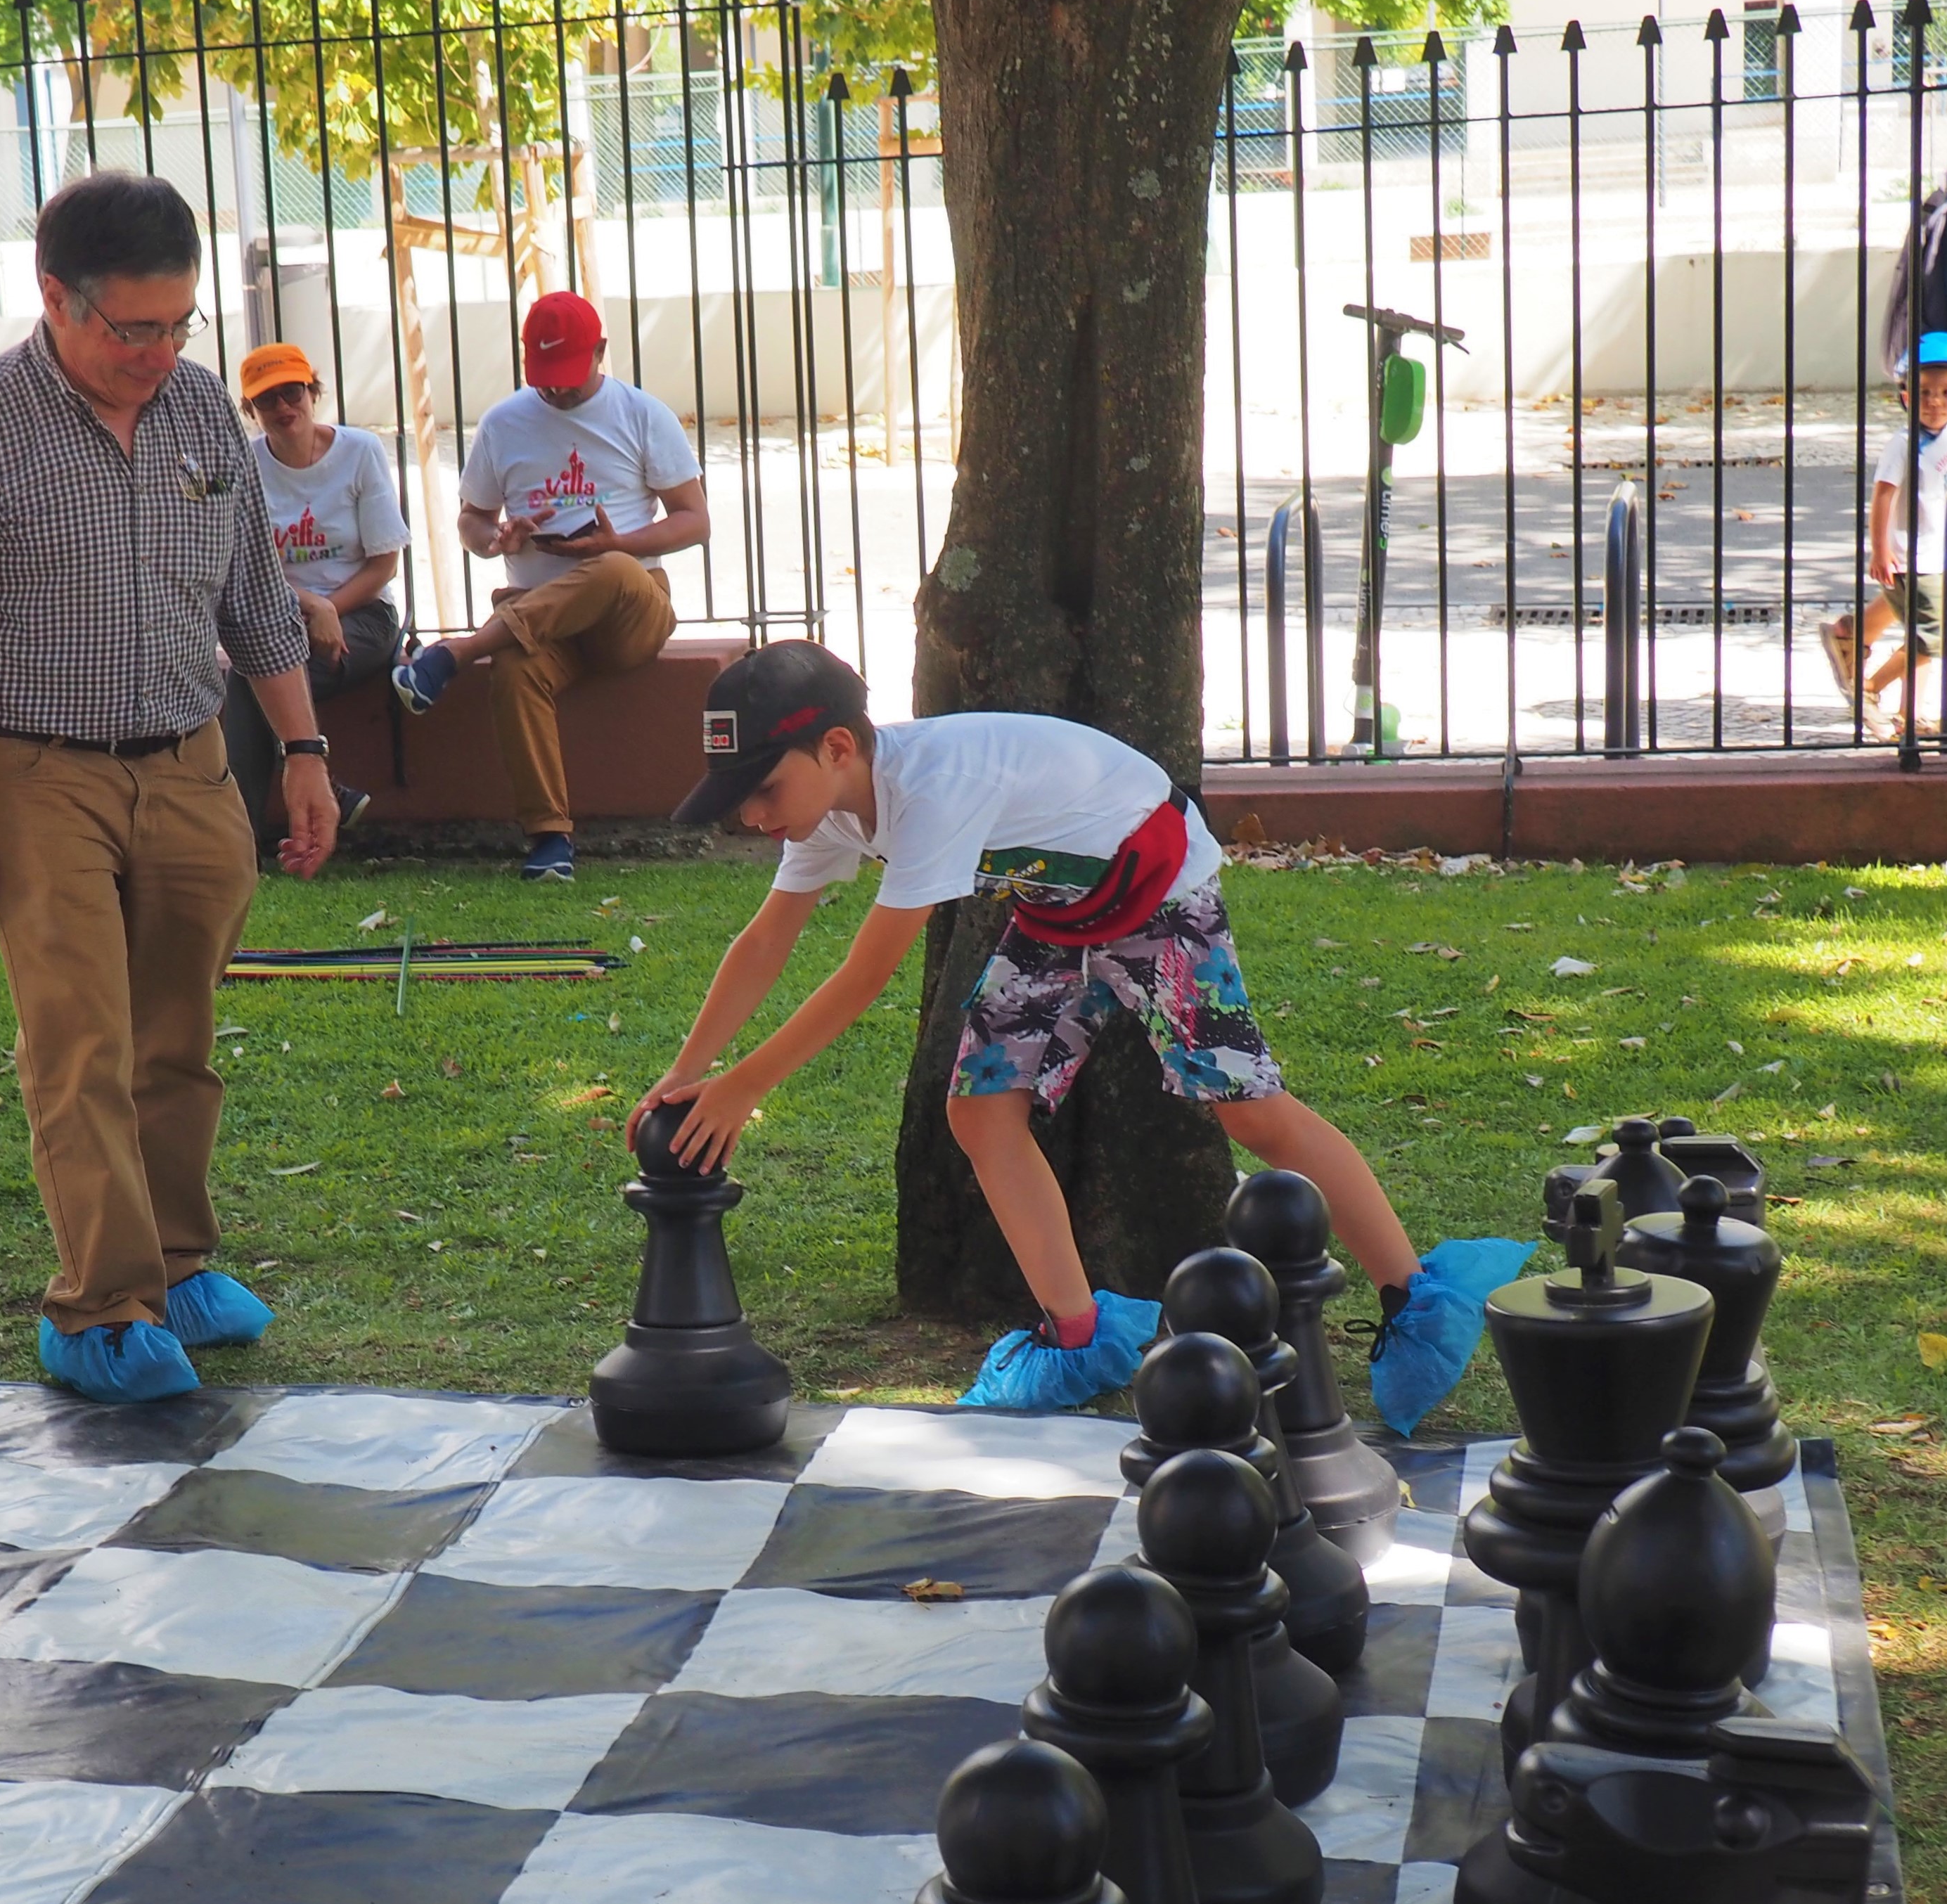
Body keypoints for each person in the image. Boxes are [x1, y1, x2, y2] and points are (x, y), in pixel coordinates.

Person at [638, 641, 1526, 1428]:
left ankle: (1417, 1298)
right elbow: (765, 941)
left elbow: (864, 976)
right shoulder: (829, 810)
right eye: (738, 797)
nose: (751, 817)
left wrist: (743, 1085)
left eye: (762, 789)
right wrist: (688, 1073)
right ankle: (1078, 1335)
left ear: (836, 746)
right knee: (982, 1110)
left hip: (1161, 889)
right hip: (1062, 912)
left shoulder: (931, 789)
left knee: (1252, 1113)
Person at [0, 171, 342, 1407]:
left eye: (178, 324)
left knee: (178, 1036)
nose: (158, 353)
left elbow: (255, 603)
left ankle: (178, 1267)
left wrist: (302, 754)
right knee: (81, 1042)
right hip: (34, 772)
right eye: (133, 328)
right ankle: (101, 1305)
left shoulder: (200, 410)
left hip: (190, 760)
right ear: (55, 298)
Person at [392, 290, 710, 882]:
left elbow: (695, 521)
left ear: (600, 352)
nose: (557, 391)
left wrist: (619, 543)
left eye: (568, 376)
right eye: (545, 378)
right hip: (542, 622)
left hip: (628, 610)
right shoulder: (503, 422)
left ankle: (457, 652)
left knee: (613, 569)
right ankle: (548, 838)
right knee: (515, 671)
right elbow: (471, 520)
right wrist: (496, 539)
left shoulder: (642, 414)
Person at [224, 340, 397, 849]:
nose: (283, 407)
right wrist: (311, 605)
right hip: (283, 615)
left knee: (251, 675)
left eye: (292, 393)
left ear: (313, 392)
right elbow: (239, 565)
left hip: (364, 615)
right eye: (267, 399)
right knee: (256, 666)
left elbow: (384, 563)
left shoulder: (360, 451)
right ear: (250, 411)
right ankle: (315, 797)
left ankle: (241, 838)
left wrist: (330, 608)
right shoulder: (244, 464)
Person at [1823, 333, 1947, 740]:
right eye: (1924, 392)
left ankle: (1909, 715)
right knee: (1933, 638)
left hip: (1943, 553)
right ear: (1907, 396)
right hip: (1911, 556)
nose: (1935, 402)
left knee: (1919, 628)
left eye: (1946, 392)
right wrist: (1881, 549)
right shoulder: (1903, 443)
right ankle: (1870, 688)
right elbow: (1883, 496)